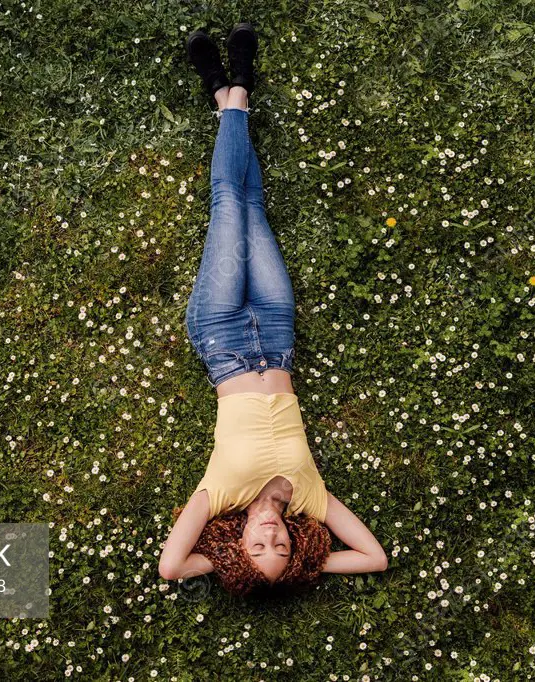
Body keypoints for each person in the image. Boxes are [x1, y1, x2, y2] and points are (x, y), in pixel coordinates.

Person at [159, 23, 388, 597]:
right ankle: (226, 89)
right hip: (277, 332)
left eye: (256, 547)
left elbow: (171, 568)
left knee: (226, 203)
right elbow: (373, 557)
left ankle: (235, 92)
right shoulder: (311, 497)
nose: (269, 536)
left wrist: (225, 564)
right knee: (252, 201)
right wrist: (309, 565)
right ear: (295, 538)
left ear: (237, 542)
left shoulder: (220, 497)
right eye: (280, 546)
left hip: (222, 337)